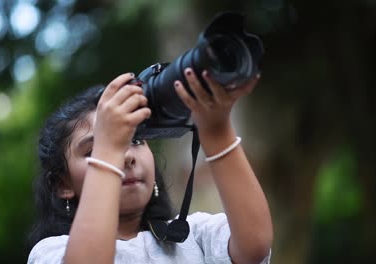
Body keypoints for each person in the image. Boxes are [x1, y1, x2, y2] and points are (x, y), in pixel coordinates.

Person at [27, 68, 273, 263]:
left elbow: (255, 246)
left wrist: (217, 130)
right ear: (63, 184)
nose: (126, 156)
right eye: (95, 149)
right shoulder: (51, 253)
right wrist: (108, 152)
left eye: (135, 140)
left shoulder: (193, 236)